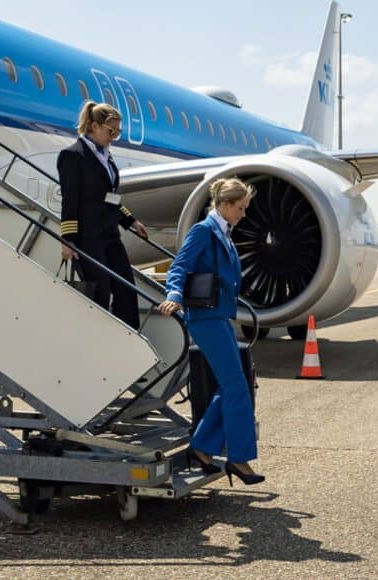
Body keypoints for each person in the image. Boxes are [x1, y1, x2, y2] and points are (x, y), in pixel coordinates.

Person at [158, 177, 264, 486]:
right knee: (236, 387)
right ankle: (239, 459)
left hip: (219, 316)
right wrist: (174, 295)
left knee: (232, 385)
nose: (243, 215)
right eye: (241, 208)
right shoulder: (204, 231)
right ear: (226, 205)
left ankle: (203, 448)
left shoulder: (224, 232)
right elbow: (180, 265)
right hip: (205, 318)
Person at [57, 101, 148, 329]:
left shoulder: (106, 157)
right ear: (94, 126)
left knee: (127, 289)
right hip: (88, 237)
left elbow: (111, 197)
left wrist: (131, 220)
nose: (114, 137)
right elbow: (70, 200)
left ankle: (127, 336)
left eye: (118, 132)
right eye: (111, 131)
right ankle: (99, 339)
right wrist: (68, 240)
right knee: (101, 290)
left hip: (110, 234)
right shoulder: (72, 156)